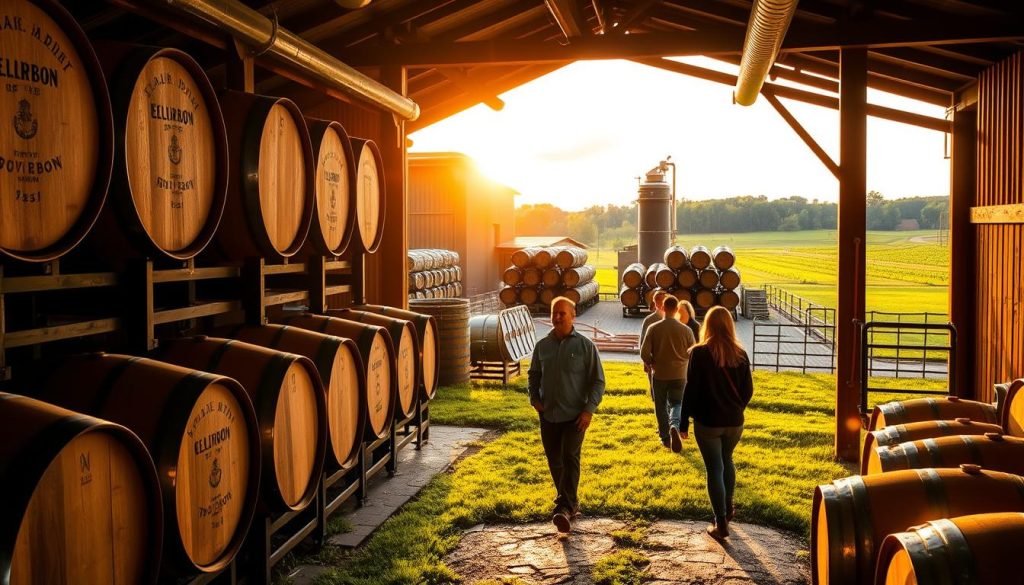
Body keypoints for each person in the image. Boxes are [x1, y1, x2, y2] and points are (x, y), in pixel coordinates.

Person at [529, 296, 606, 534]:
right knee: (555, 460)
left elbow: (598, 381)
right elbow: (534, 374)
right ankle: (569, 502)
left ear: (573, 315)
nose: (558, 317)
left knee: (570, 458)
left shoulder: (585, 346)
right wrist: (534, 398)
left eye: (562, 313)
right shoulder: (542, 346)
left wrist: (588, 410)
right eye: (554, 313)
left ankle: (564, 507)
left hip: (575, 416)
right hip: (549, 415)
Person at [680, 306, 754, 540]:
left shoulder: (699, 353)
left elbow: (690, 390)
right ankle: (728, 507)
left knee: (714, 468)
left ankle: (720, 521)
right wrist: (735, 408)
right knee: (727, 460)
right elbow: (748, 390)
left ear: (707, 325)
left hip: (708, 421)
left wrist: (683, 422)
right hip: (734, 422)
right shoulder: (740, 353)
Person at [640, 296, 696, 451]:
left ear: (662, 308)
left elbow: (644, 352)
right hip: (680, 374)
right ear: (677, 309)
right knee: (677, 403)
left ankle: (665, 438)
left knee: (660, 405)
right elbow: (693, 352)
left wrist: (651, 362)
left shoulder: (654, 328)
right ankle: (674, 426)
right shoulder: (686, 330)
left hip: (660, 374)